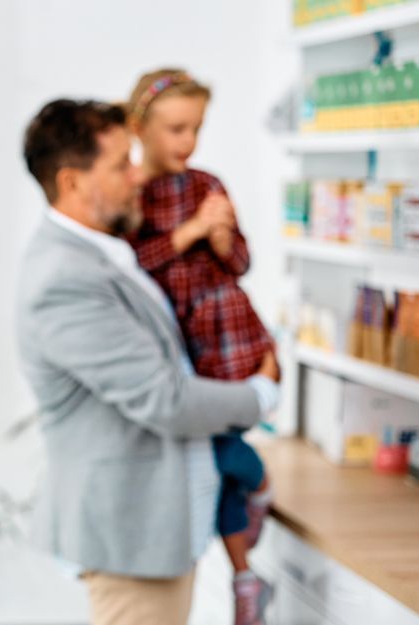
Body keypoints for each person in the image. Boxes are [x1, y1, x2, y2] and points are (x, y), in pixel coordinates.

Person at [15, 99, 281, 625]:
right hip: (130, 543)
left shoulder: (104, 253)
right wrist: (261, 393)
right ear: (72, 182)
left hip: (154, 536)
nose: (139, 175)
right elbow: (166, 398)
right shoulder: (64, 278)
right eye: (121, 165)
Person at [127, 68, 276, 625]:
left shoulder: (208, 183)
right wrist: (188, 233)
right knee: (217, 462)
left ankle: (244, 576)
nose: (188, 142)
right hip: (182, 350)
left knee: (216, 454)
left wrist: (221, 237)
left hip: (229, 336)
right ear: (140, 127)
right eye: (176, 129)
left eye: (196, 129)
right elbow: (129, 269)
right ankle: (247, 563)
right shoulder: (131, 195)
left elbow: (241, 263)